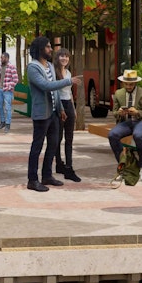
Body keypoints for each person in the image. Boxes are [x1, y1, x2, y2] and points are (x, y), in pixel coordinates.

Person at [25, 36, 79, 192]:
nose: (51, 49)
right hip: (42, 114)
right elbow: (46, 86)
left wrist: (61, 109)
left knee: (53, 144)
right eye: (48, 47)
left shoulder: (49, 65)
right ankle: (32, 180)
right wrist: (69, 81)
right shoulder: (33, 67)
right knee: (37, 146)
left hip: (54, 113)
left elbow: (55, 92)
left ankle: (47, 175)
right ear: (41, 49)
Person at [108, 69, 142, 182]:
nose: (128, 86)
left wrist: (137, 112)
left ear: (135, 83)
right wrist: (119, 113)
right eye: (126, 84)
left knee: (138, 135)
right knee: (112, 135)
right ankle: (123, 166)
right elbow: (114, 113)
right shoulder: (118, 93)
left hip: (141, 121)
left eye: (131, 84)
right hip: (125, 122)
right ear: (123, 83)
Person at [52, 48, 81, 182]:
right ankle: (59, 163)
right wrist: (61, 109)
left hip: (68, 105)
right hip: (58, 106)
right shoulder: (54, 72)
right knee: (58, 138)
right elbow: (55, 92)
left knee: (69, 138)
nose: (64, 58)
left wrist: (73, 109)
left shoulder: (68, 73)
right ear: (57, 57)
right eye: (62, 56)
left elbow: (68, 93)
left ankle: (69, 167)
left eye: (67, 56)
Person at [0, 52, 18, 133]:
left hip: (7, 91)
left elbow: (16, 80)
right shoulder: (0, 66)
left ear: (7, 58)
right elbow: (0, 77)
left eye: (2, 58)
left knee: (7, 107)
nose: (1, 59)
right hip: (0, 89)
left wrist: (8, 86)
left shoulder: (11, 67)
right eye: (0, 58)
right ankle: (2, 122)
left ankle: (8, 124)